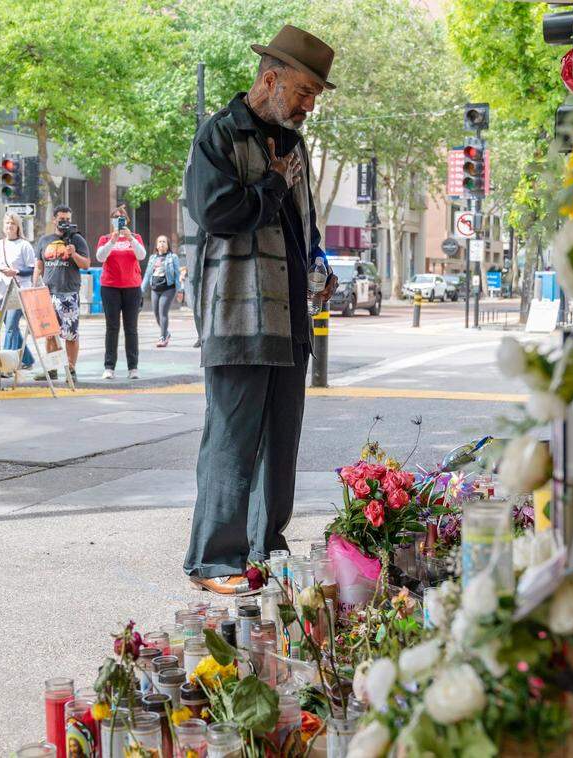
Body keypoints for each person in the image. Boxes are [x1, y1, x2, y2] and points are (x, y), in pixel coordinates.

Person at [182, 25, 339, 594]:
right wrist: (271, 185)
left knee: (281, 438)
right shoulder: (220, 134)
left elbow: (304, 226)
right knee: (231, 437)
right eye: (303, 92)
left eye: (314, 97)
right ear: (270, 80)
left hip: (290, 315)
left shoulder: (293, 146)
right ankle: (214, 561)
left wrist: (319, 263)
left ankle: (265, 547)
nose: (307, 106)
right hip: (238, 315)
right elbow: (214, 211)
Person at [34, 205, 90, 381]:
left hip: (68, 293)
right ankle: (52, 369)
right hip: (47, 293)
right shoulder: (44, 240)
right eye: (61, 220)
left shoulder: (77, 239)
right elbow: (39, 266)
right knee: (50, 333)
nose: (65, 223)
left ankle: (71, 370)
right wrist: (34, 286)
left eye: (68, 219)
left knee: (70, 334)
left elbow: (86, 264)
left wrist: (73, 253)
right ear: (54, 220)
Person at [95, 207, 146, 379]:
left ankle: (133, 368)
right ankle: (109, 367)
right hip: (110, 287)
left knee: (131, 328)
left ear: (127, 220)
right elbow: (100, 257)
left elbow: (141, 255)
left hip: (132, 287)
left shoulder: (136, 238)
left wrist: (130, 238)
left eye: (122, 217)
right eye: (116, 217)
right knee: (112, 327)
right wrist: (112, 241)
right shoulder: (105, 238)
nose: (119, 219)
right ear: (112, 221)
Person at [0, 212, 36, 370]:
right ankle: (27, 359)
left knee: (10, 327)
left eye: (13, 224)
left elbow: (32, 269)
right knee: (11, 328)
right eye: (7, 223)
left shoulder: (24, 245)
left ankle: (5, 365)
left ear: (18, 227)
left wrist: (15, 272)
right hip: (1, 291)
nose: (9, 226)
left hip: (18, 291)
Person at [141, 235, 180, 348]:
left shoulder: (173, 257)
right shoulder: (153, 258)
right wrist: (141, 290)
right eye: (160, 242)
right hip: (155, 289)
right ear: (156, 245)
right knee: (156, 314)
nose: (162, 243)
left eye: (164, 242)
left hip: (168, 289)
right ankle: (166, 333)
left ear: (167, 245)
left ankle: (162, 337)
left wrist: (180, 290)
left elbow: (177, 274)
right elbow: (148, 274)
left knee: (163, 313)